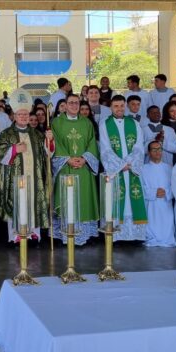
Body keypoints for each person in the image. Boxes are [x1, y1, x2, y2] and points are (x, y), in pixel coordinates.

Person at [0, 90, 52, 246]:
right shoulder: (6, 134)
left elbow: (48, 154)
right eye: (20, 114)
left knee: (33, 203)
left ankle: (33, 235)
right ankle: (16, 236)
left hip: (34, 178)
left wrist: (49, 141)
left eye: (26, 114)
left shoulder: (37, 135)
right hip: (14, 179)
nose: (24, 117)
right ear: (14, 116)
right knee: (17, 204)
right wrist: (13, 150)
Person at [49, 93, 100, 244]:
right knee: (67, 200)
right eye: (71, 103)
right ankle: (66, 234)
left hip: (84, 168)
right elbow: (55, 144)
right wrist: (68, 159)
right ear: (65, 105)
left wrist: (85, 159)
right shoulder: (56, 123)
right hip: (65, 167)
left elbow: (92, 143)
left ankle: (83, 235)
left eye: (76, 102)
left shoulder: (86, 123)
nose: (74, 105)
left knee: (83, 199)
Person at [99, 95, 147, 241]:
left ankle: (134, 236)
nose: (119, 109)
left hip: (131, 170)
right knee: (116, 200)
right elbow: (105, 148)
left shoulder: (134, 123)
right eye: (116, 106)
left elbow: (139, 146)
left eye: (121, 105)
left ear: (125, 106)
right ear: (111, 107)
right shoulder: (105, 124)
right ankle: (116, 236)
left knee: (132, 201)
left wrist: (129, 163)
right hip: (117, 172)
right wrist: (120, 165)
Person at [142, 141, 174, 247]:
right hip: (151, 204)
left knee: (167, 225)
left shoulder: (170, 168)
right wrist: (154, 192)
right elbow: (140, 188)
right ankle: (151, 238)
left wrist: (167, 192)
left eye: (159, 149)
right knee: (151, 223)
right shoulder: (143, 169)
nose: (157, 152)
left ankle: (166, 238)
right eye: (154, 150)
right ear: (149, 152)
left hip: (166, 203)